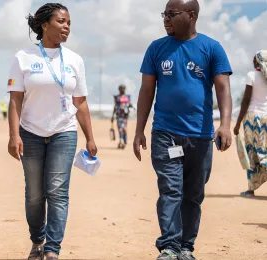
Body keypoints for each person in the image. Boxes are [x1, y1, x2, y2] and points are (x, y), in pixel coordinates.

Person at [133, 0, 232, 259]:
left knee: (193, 194)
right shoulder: (156, 49)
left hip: (200, 135)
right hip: (165, 132)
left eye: (171, 14)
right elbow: (146, 91)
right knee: (170, 189)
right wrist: (139, 130)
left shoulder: (212, 48)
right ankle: (169, 246)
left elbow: (223, 88)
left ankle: (186, 247)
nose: (165, 19)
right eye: (164, 14)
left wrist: (225, 125)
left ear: (191, 16)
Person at [7, 3, 97, 260]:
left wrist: (90, 137)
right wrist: (14, 136)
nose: (66, 27)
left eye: (68, 22)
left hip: (63, 133)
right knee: (35, 194)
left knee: (57, 191)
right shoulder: (23, 57)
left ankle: (52, 249)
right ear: (45, 25)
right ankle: (37, 240)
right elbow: (15, 100)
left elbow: (80, 102)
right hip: (30, 133)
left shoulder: (75, 60)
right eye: (61, 21)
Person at [234, 50, 267, 198]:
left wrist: (237, 123)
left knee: (252, 153)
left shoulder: (251, 75)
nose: (253, 61)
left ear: (258, 61)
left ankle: (250, 190)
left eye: (255, 59)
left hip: (252, 120)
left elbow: (246, 101)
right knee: (264, 151)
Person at [111, 84, 134, 149]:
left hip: (125, 116)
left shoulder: (127, 97)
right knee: (120, 128)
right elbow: (115, 106)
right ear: (119, 89)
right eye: (121, 88)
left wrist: (132, 107)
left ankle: (124, 140)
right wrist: (112, 116)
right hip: (118, 115)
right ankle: (121, 141)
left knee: (124, 128)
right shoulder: (117, 97)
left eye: (123, 88)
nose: (122, 90)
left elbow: (129, 104)